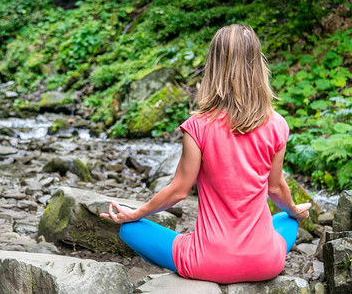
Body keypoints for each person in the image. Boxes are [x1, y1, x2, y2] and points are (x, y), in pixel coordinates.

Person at [100, 24, 312, 284]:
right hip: (265, 262)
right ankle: (263, 245)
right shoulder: (277, 124)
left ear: (214, 66)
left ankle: (190, 261)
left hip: (207, 262)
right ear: (258, 65)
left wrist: (136, 213)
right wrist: (295, 210)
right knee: (286, 219)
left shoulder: (198, 126)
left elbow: (179, 190)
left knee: (130, 230)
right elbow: (277, 188)